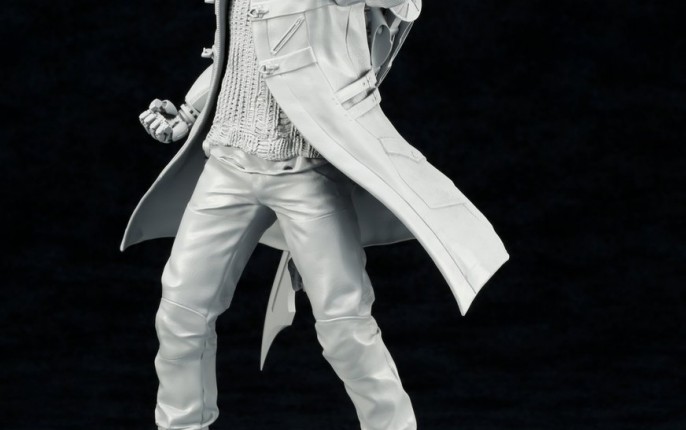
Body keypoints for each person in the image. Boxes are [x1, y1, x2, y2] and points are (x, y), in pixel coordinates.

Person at [123, 1, 508, 429]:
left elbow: (407, 5)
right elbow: (234, 52)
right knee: (181, 313)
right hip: (228, 161)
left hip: (306, 171)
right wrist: (189, 112)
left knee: (344, 326)